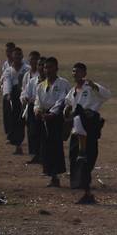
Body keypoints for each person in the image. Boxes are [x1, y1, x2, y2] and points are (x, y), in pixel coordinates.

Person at [64, 63, 111, 204]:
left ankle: (86, 191)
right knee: (74, 157)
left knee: (86, 157)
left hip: (90, 125)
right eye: (73, 71)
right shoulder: (72, 91)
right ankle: (79, 186)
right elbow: (68, 105)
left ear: (84, 73)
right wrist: (66, 110)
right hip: (76, 130)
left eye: (78, 71)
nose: (75, 74)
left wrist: (94, 86)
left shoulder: (90, 87)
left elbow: (107, 95)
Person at [34, 57, 71, 187]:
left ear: (56, 68)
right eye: (45, 67)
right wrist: (37, 110)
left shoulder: (63, 83)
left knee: (56, 146)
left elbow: (62, 100)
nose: (47, 70)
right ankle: (50, 174)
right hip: (43, 117)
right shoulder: (41, 85)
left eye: (50, 67)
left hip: (57, 118)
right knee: (45, 146)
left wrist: (52, 113)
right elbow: (37, 100)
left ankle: (56, 174)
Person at [0, 46, 29, 156]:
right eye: (15, 55)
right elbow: (6, 82)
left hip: (24, 96)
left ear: (22, 56)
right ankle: (16, 143)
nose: (17, 57)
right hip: (12, 97)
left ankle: (19, 145)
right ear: (12, 56)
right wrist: (7, 94)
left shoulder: (27, 69)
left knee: (21, 121)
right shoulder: (8, 70)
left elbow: (28, 83)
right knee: (12, 120)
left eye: (19, 55)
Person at [20, 51, 43, 164]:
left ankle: (42, 155)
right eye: (39, 65)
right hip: (31, 107)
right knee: (32, 132)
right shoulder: (30, 78)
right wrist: (24, 98)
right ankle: (35, 155)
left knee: (42, 133)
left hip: (44, 109)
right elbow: (24, 91)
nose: (40, 67)